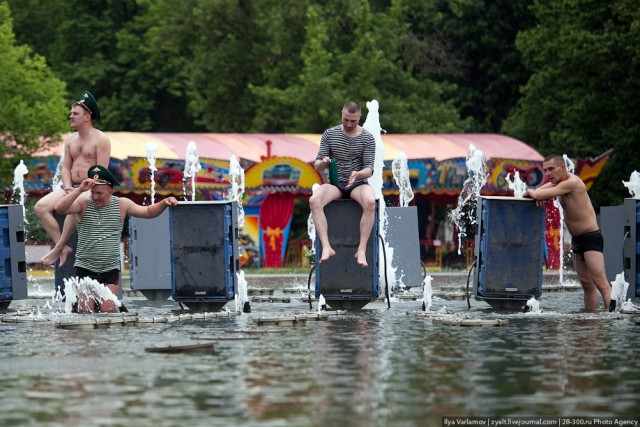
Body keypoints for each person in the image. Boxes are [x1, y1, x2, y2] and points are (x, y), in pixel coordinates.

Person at [55, 165, 178, 313]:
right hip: (85, 267)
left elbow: (148, 212)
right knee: (85, 311)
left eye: (99, 193)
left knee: (107, 310)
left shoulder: (122, 204)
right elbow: (60, 208)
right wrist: (80, 190)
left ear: (111, 191)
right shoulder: (83, 204)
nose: (95, 197)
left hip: (110, 268)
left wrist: (164, 202)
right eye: (93, 192)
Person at [524, 154, 612, 312]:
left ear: (562, 167)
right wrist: (534, 193)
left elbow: (537, 194)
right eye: (545, 170)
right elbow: (534, 192)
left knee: (601, 283)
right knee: (586, 284)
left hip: (590, 237)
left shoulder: (572, 182)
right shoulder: (558, 183)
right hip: (578, 239)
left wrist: (536, 194)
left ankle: (613, 316)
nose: (548, 174)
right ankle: (591, 315)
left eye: (551, 169)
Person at [36, 91, 111, 267]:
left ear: (87, 116)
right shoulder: (70, 140)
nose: (70, 116)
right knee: (40, 207)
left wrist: (84, 189)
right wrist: (69, 187)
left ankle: (58, 247)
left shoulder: (101, 139)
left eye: (75, 113)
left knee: (71, 205)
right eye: (71, 113)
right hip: (72, 187)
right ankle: (64, 248)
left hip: (90, 187)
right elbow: (65, 167)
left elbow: (101, 171)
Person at [309, 101, 376, 267]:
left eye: (353, 121)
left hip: (358, 183)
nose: (349, 124)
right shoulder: (329, 134)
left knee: (370, 202)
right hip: (335, 183)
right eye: (346, 119)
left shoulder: (367, 138)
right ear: (342, 114)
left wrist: (358, 173)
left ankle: (361, 250)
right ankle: (326, 247)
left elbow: (369, 169)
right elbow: (317, 165)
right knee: (314, 201)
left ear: (360, 117)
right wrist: (323, 163)